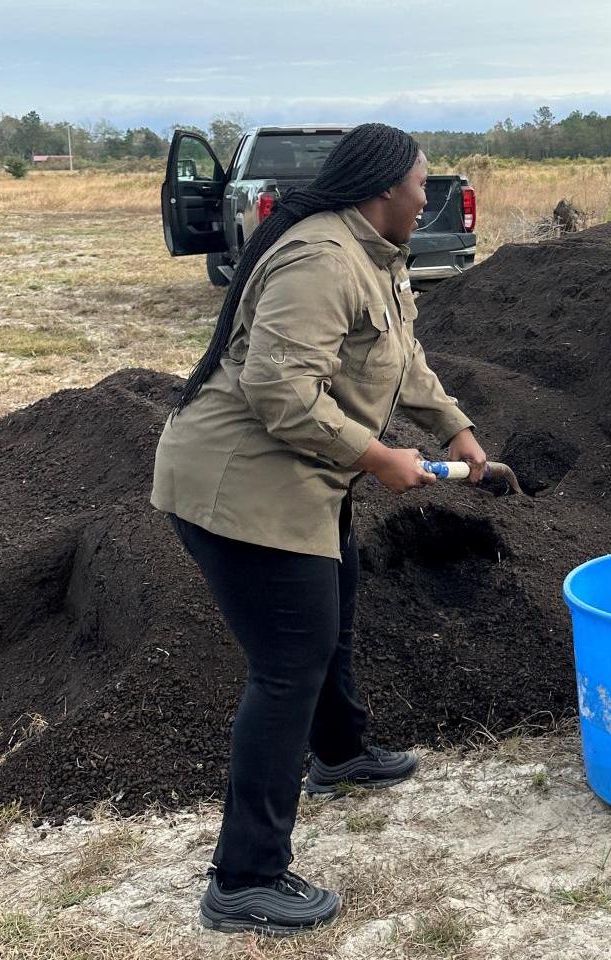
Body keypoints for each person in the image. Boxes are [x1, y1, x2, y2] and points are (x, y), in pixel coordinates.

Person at [151, 123, 487, 936]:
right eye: (419, 182)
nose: (426, 194)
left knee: (333, 602)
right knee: (288, 665)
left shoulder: (372, 254)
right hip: (241, 492)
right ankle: (244, 879)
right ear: (382, 191)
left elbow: (401, 359)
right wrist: (379, 459)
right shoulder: (320, 260)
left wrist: (454, 429)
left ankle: (339, 755)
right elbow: (279, 391)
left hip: (302, 481)